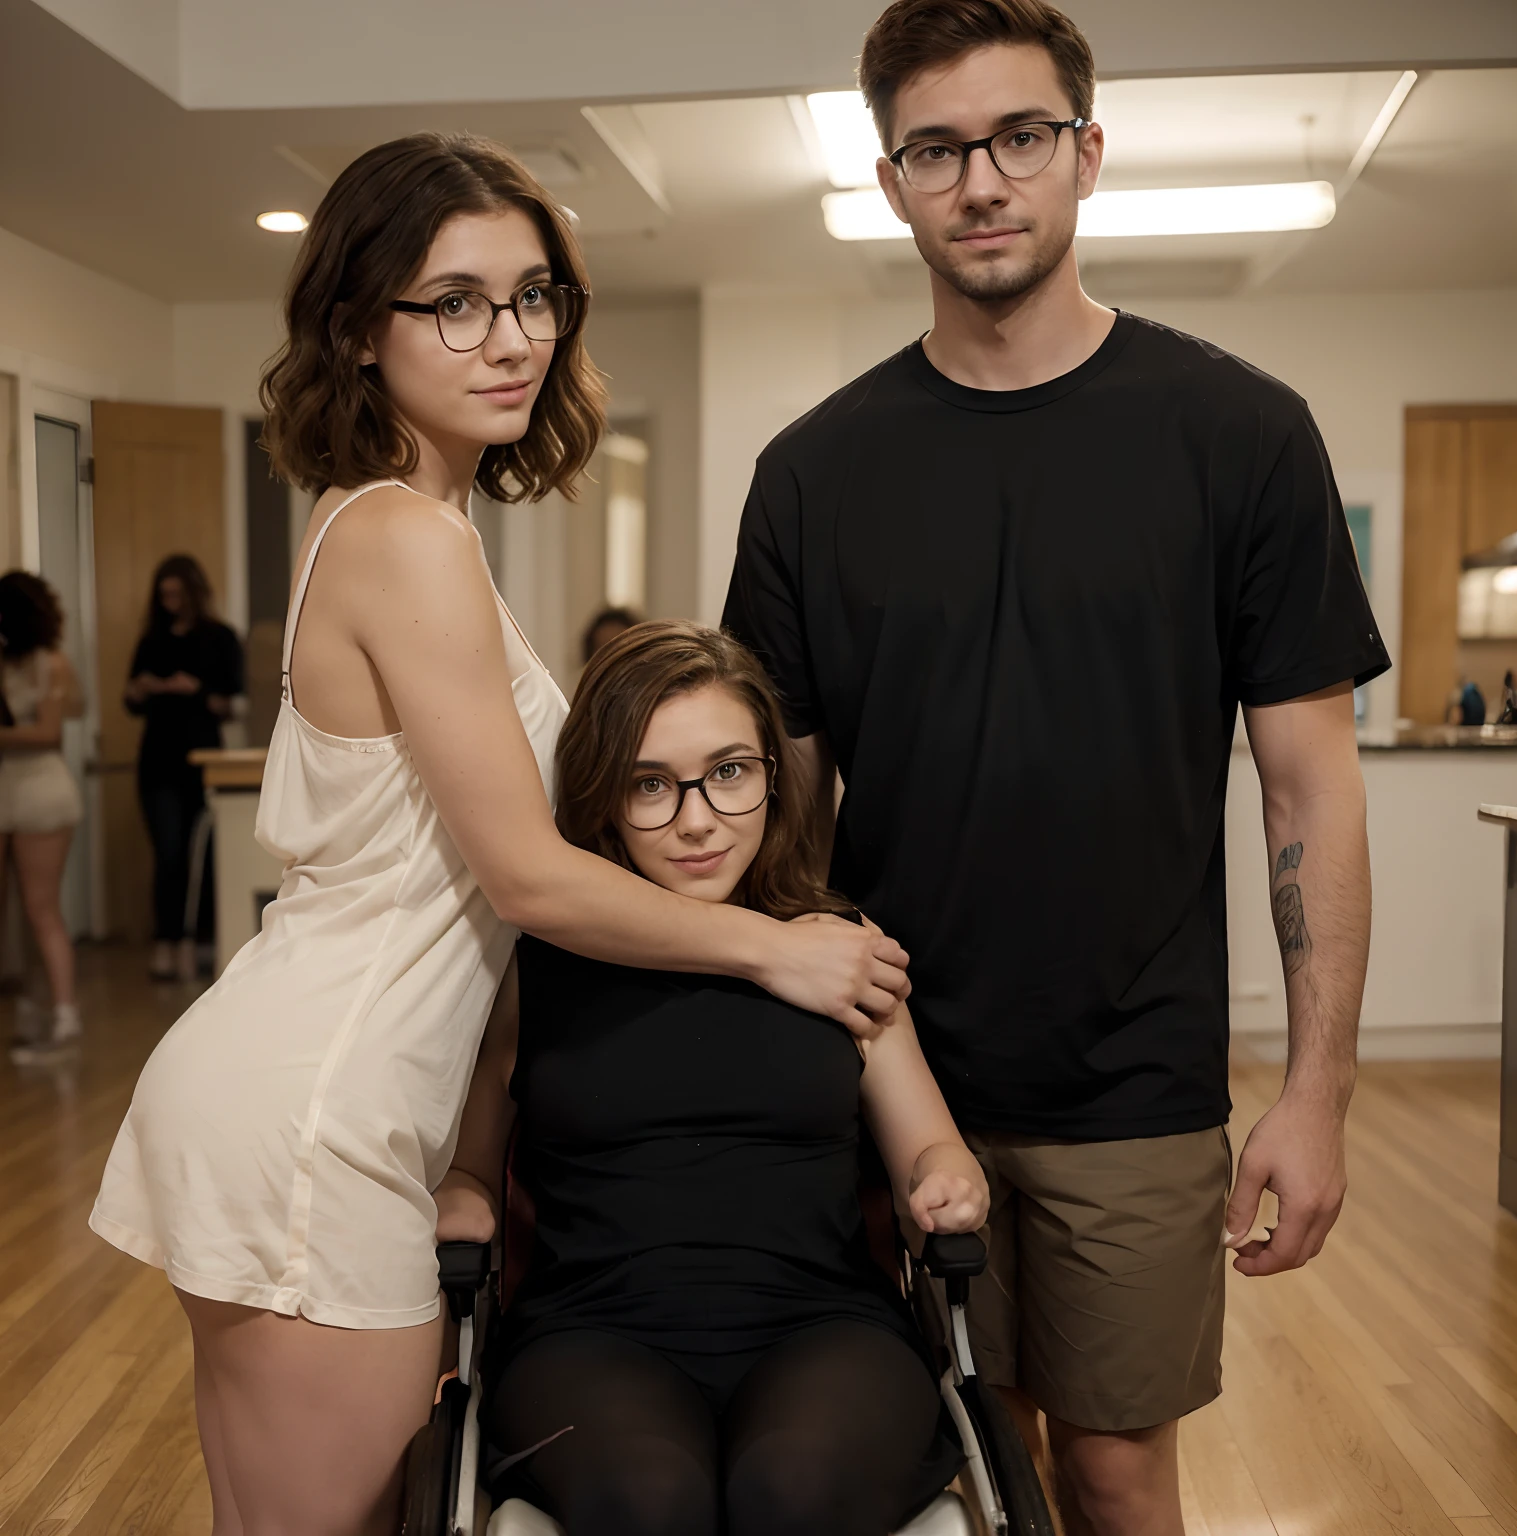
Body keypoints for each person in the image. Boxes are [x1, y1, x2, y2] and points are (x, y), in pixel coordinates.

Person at [90, 134, 909, 1536]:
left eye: (533, 297)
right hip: (317, 1111)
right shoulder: (404, 537)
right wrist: (781, 955)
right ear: (359, 328)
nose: (509, 336)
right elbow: (527, 873)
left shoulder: (412, 526)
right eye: (453, 301)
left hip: (315, 1084)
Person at [721, 4, 1388, 1533]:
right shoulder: (813, 475)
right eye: (939, 148)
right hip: (892, 1071)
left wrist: (1318, 1093)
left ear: (1088, 154)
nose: (984, 180)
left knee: (1110, 1470)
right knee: (963, 1461)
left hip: (1134, 1078)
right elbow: (783, 821)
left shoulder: (1238, 435)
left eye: (1021, 137)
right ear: (892, 180)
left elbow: (1309, 790)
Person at [438, 621, 987, 1536]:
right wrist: (462, 1196)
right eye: (650, 784)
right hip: (591, 1336)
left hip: (825, 1328)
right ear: (602, 798)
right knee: (653, 1502)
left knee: (793, 1493)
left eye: (729, 772)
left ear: (775, 772)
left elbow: (931, 1142)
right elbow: (470, 1166)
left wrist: (947, 1179)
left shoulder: (838, 950)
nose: (697, 819)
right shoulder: (539, 963)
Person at [124, 555, 244, 981]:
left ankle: (201, 942)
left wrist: (196, 690)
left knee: (207, 857)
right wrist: (143, 688)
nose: (170, 602)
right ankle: (166, 943)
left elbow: (233, 705)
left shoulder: (220, 638)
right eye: (164, 595)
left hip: (203, 759)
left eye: (177, 593)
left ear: (193, 592)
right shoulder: (151, 640)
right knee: (168, 854)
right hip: (157, 761)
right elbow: (130, 701)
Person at [0, 571, 85, 1063]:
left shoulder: (51, 664)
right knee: (19, 913)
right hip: (9, 790)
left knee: (41, 908)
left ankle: (65, 1015)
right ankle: (29, 1009)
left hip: (41, 792)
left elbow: (48, 734)